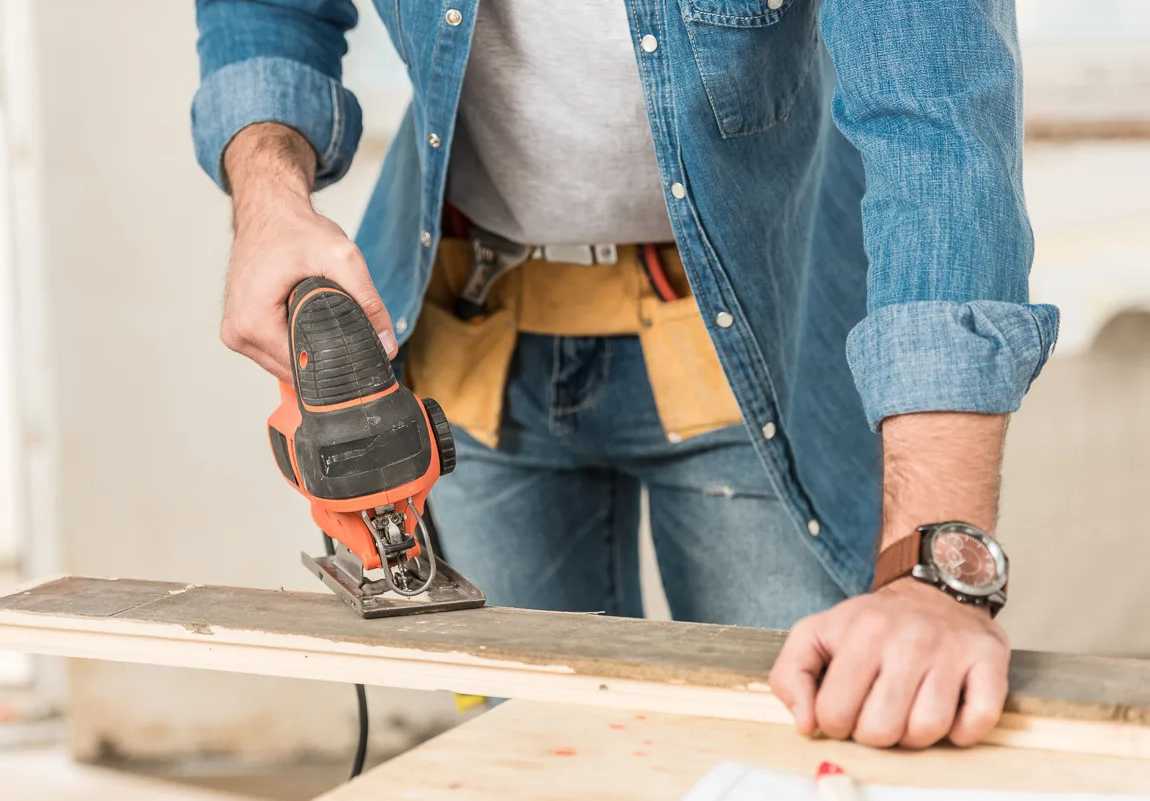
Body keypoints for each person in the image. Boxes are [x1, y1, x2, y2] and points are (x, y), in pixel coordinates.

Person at [190, 1, 1057, 750]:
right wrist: (269, 198)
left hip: (755, 341)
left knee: (795, 744)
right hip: (476, 337)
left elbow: (939, 122)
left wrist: (932, 577)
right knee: (532, 754)